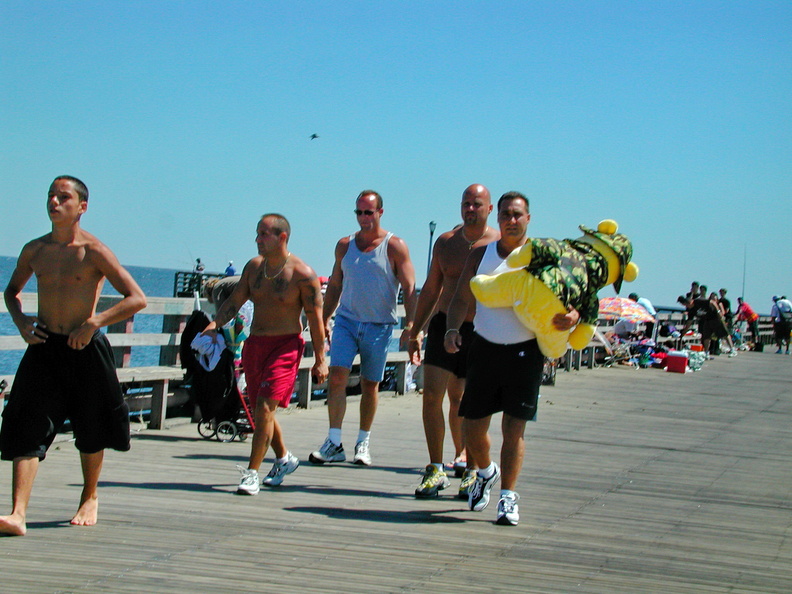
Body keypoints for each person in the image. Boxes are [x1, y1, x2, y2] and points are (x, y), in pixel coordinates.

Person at [0, 175, 147, 536]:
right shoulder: (35, 250)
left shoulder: (93, 251)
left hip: (84, 346)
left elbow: (136, 298)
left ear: (81, 207)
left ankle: (89, 495)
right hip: (45, 346)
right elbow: (12, 292)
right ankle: (18, 514)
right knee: (27, 424)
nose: (54, 201)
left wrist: (95, 322)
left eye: (63, 197)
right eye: (50, 195)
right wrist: (21, 321)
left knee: (92, 425)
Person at [443, 191, 579, 526]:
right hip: (485, 347)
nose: (511, 220)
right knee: (472, 426)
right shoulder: (482, 253)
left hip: (526, 350)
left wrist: (573, 317)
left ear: (528, 218)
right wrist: (451, 329)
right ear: (497, 217)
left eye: (517, 214)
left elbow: (575, 298)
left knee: (513, 429)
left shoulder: (545, 257)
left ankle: (508, 497)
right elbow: (462, 296)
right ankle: (487, 472)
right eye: (505, 214)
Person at [203, 214, 328, 494]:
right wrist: (213, 326)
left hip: (285, 347)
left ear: (282, 237)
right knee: (262, 413)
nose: (258, 240)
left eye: (264, 234)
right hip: (255, 344)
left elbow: (316, 320)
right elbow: (234, 302)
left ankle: (251, 474)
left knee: (265, 408)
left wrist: (321, 360)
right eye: (257, 234)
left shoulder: (302, 275)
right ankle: (284, 458)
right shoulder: (254, 267)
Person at [310, 190, 417, 467]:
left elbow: (409, 288)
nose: (363, 218)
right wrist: (324, 318)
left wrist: (413, 326)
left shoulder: (395, 246)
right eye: (358, 212)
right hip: (346, 321)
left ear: (380, 212)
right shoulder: (344, 245)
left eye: (368, 212)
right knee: (337, 378)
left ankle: (363, 442)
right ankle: (334, 442)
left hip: (379, 325)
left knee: (370, 385)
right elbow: (335, 284)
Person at [408, 184, 499, 499]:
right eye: (465, 204)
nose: (470, 209)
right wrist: (414, 329)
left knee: (474, 404)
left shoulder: (500, 245)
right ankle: (435, 469)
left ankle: (473, 472)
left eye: (476, 204)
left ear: (489, 208)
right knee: (431, 396)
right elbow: (431, 289)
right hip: (444, 325)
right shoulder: (446, 243)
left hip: (483, 331)